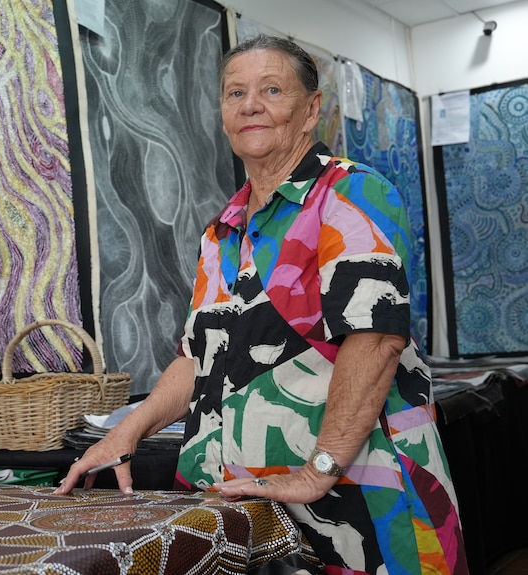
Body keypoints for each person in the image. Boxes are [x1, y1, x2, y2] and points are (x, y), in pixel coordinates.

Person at [55, 34, 469, 574]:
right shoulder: (220, 231)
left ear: (310, 109)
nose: (250, 104)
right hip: (247, 510)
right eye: (234, 93)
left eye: (272, 89)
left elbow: (377, 338)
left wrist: (318, 471)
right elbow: (196, 359)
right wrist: (127, 431)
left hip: (357, 501)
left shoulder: (349, 195)